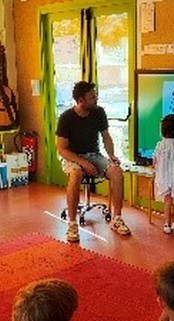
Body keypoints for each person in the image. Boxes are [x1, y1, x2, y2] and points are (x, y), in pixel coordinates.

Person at [56, 81, 130, 242]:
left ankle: (117, 219)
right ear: (81, 100)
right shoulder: (66, 118)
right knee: (75, 174)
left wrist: (111, 155)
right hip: (73, 156)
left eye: (95, 96)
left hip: (94, 155)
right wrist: (83, 163)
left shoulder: (99, 112)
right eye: (92, 97)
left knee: (117, 172)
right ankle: (72, 223)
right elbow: (62, 149)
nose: (95, 99)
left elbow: (106, 136)